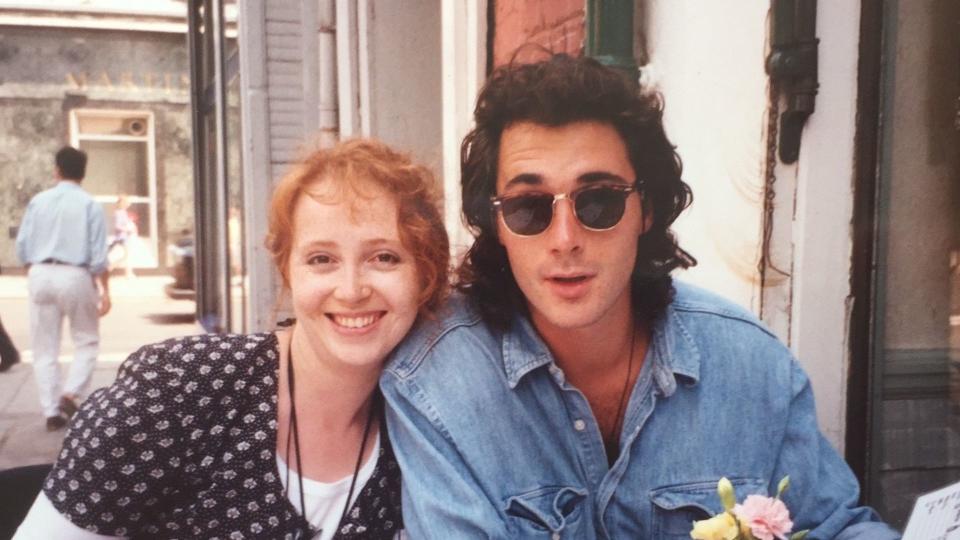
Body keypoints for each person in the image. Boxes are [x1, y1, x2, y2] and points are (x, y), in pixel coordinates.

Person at [380, 54, 901, 538]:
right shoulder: (436, 385)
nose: (565, 239)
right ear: (496, 225)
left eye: (600, 201)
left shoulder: (754, 368)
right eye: (528, 207)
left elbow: (837, 526)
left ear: (646, 210)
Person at [14, 139, 449, 539]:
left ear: (425, 275)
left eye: (384, 257)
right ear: (287, 272)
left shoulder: (427, 429)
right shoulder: (180, 393)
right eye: (322, 259)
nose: (352, 289)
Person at [15, 146, 111, 431]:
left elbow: (22, 246)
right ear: (83, 172)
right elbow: (98, 256)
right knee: (86, 339)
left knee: (44, 346)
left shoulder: (38, 201)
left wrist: (34, 270)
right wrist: (105, 292)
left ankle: (51, 411)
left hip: (40, 271)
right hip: (75, 274)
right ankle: (72, 391)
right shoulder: (90, 204)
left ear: (57, 170)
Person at [107, 195, 137, 279]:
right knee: (126, 255)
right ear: (122, 203)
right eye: (126, 202)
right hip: (122, 237)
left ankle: (127, 273)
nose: (128, 204)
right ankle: (110, 269)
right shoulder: (119, 213)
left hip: (123, 237)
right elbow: (117, 226)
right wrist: (128, 230)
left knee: (126, 255)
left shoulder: (122, 212)